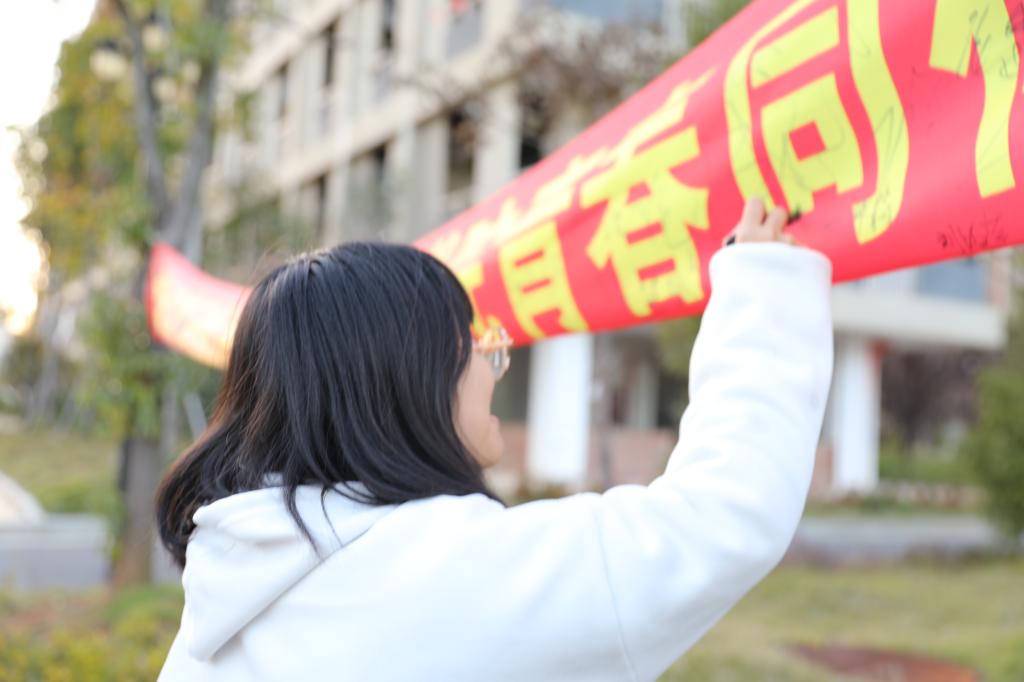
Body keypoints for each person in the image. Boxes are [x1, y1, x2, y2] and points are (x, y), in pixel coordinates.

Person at [156, 197, 833, 681]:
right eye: (474, 343)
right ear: (413, 381)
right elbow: (722, 517)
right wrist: (762, 282)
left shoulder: (227, 589)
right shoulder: (453, 577)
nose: (492, 366)